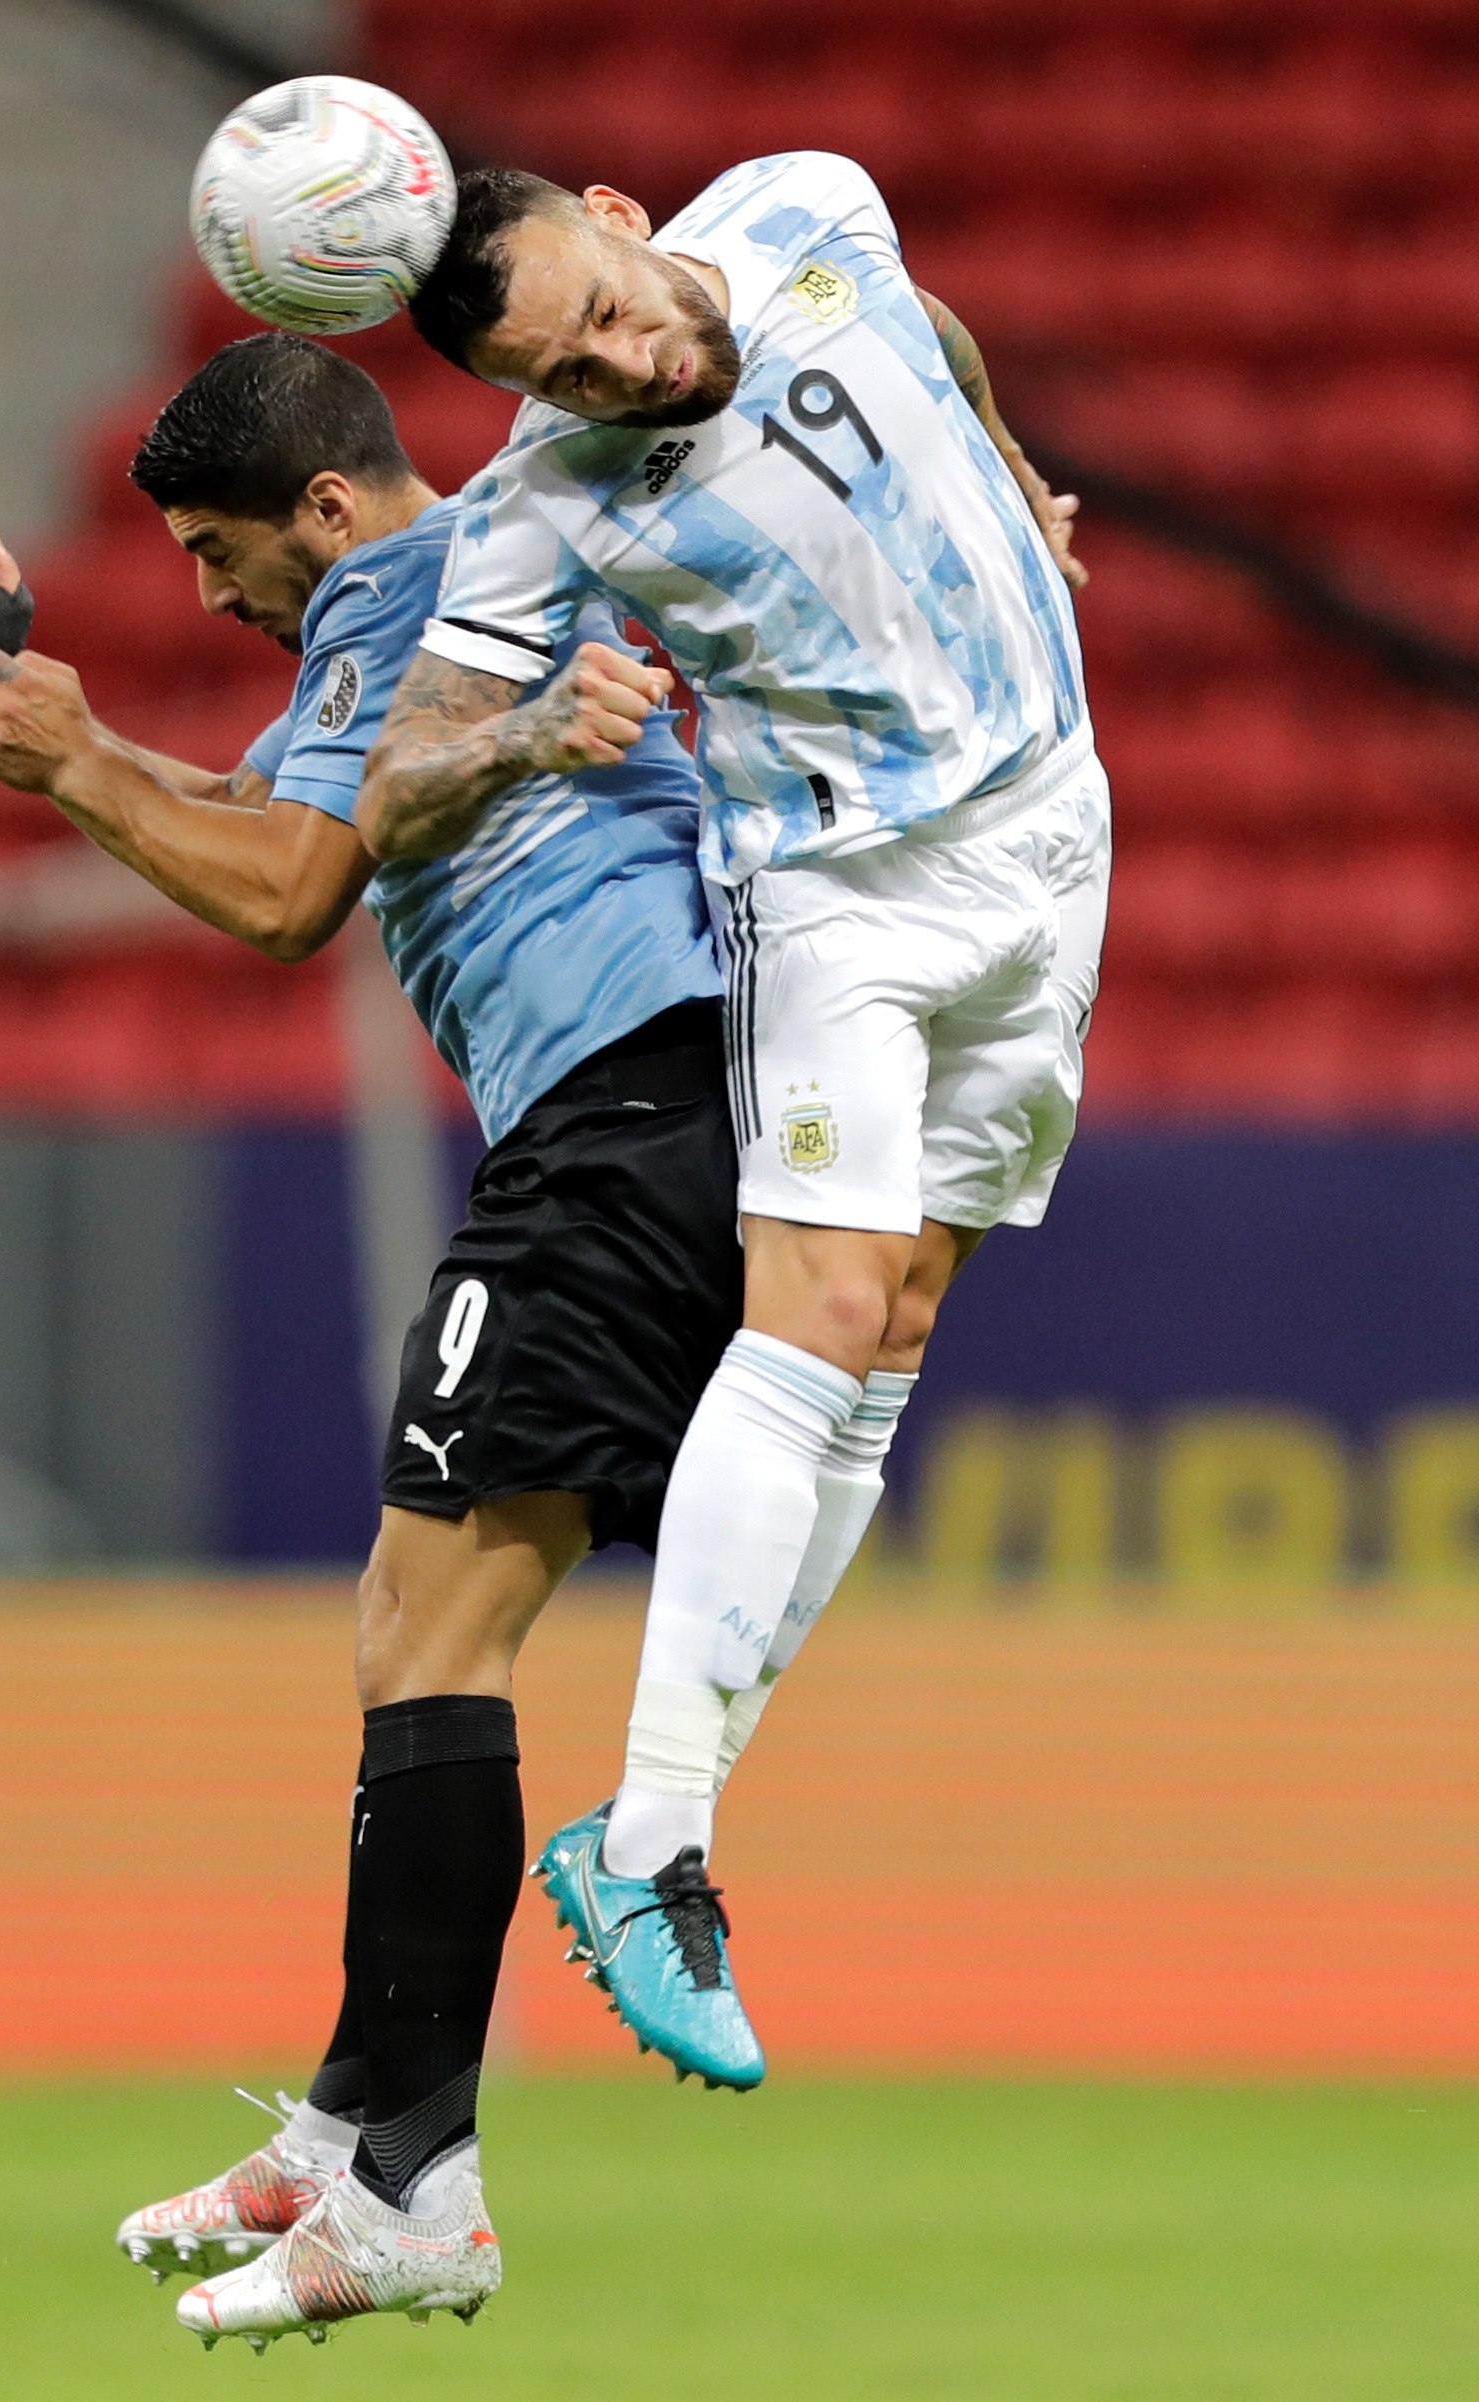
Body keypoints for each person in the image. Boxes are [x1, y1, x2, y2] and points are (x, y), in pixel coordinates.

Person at [0, 328, 803, 2350]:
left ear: (322, 506)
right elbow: (268, 807)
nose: (211, 597)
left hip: (625, 1120)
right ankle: (357, 2118)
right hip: (627, 1126)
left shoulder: (423, 594)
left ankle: (418, 2183)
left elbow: (291, 888)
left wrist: (74, 767)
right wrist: (23, 703)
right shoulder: (410, 617)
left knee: (438, 1625)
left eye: (221, 552)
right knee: (407, 1611)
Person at [359, 151, 1109, 2085]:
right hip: (839, 895)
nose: (622, 369)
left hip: (1051, 839)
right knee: (822, 1311)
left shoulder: (805, 204)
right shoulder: (543, 502)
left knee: (903, 1325)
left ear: (621, 215)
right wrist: (529, 728)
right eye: (568, 373)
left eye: (606, 314)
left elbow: (930, 325)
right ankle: (661, 1841)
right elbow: (396, 785)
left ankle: (649, 1825)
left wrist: (1009, 473)